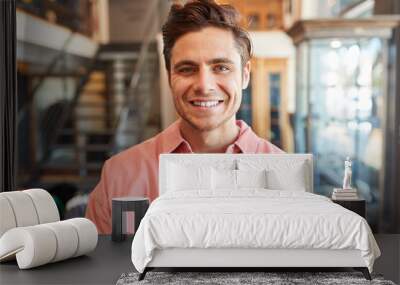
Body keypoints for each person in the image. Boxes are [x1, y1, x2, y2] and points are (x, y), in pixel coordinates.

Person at [86, 0, 283, 234]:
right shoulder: (119, 176)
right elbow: (101, 269)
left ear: (245, 75)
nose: (204, 85)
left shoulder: (285, 173)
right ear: (169, 76)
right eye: (187, 69)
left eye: (221, 67)